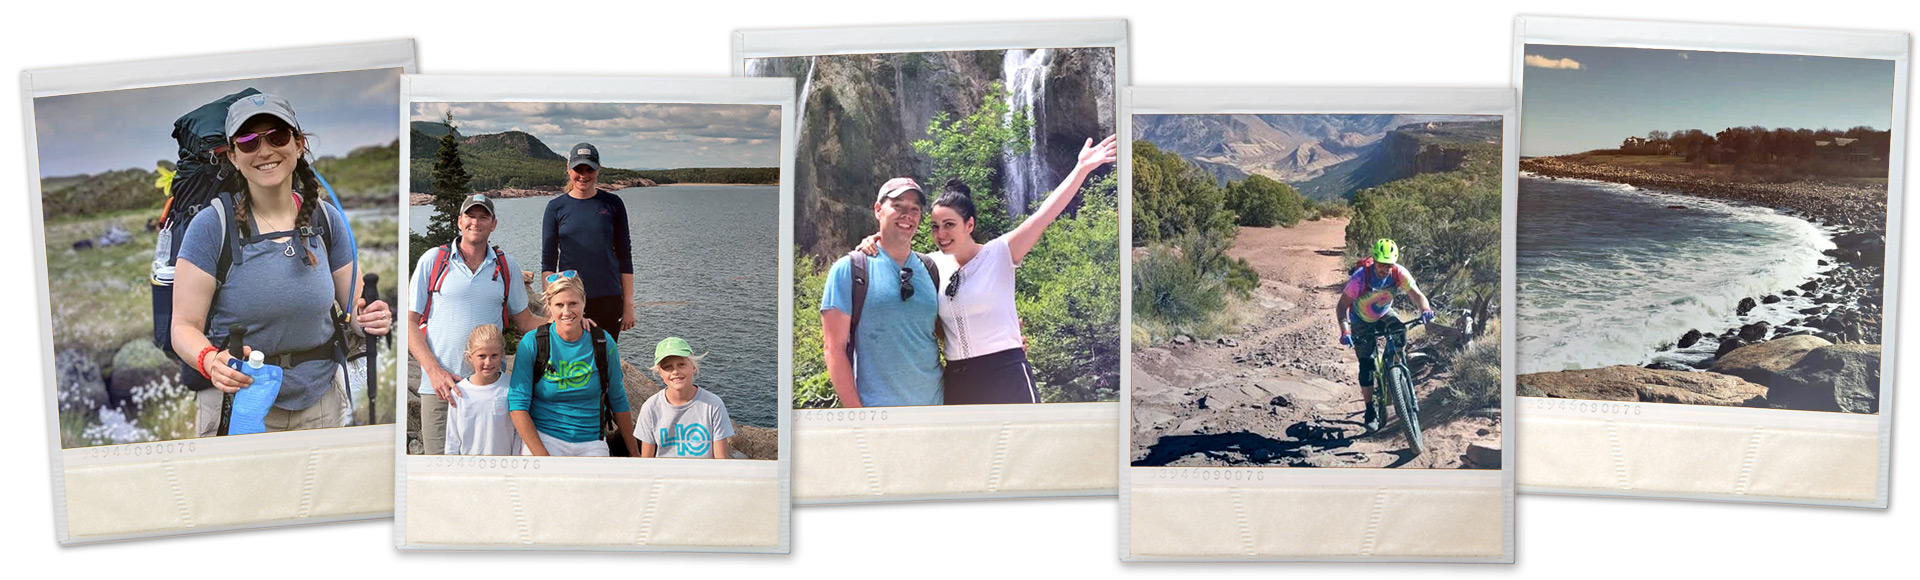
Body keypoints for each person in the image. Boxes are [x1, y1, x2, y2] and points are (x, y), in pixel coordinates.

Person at [170, 92, 392, 435]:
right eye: (247, 141)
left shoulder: (326, 220)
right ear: (232, 155)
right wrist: (211, 361)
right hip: (240, 405)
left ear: (298, 143)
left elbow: (356, 311)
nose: (264, 150)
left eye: (277, 136)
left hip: (321, 403)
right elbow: (183, 328)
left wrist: (372, 320)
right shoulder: (212, 227)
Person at [921, 135, 1117, 404]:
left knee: (1029, 445)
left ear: (969, 225)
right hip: (958, 378)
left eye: (949, 224)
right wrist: (870, 242)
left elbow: (1044, 215)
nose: (941, 233)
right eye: (935, 226)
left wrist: (1081, 168)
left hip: (1006, 373)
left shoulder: (1000, 252)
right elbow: (893, 253)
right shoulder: (931, 264)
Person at [407, 193, 545, 454]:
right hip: (439, 389)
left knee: (492, 469)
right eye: (471, 216)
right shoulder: (433, 261)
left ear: (494, 224)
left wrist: (568, 323)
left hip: (489, 389)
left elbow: (525, 321)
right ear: (460, 221)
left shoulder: (506, 266)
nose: (476, 222)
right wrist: (434, 372)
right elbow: (410, 323)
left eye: (484, 217)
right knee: (440, 472)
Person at [820, 178, 943, 407]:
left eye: (914, 209)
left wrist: (1005, 340)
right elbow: (833, 349)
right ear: (878, 210)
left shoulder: (932, 268)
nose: (908, 215)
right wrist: (858, 417)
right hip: (879, 416)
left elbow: (949, 331)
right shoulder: (849, 270)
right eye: (898, 206)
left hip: (935, 411)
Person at [507, 274, 638, 456]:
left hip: (591, 440)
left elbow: (618, 398)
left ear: (584, 302)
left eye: (573, 304)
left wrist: (636, 456)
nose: (566, 312)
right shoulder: (533, 343)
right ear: (549, 307)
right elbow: (517, 404)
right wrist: (544, 459)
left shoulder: (602, 342)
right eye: (559, 305)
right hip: (545, 437)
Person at [1334, 238, 1435, 431]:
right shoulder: (1360, 278)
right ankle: (1370, 408)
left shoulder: (1398, 273)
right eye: (1381, 264)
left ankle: (1395, 370)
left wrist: (1425, 309)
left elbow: (1417, 295)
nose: (1385, 269)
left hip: (1383, 312)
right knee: (1366, 365)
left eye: (1389, 265)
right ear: (1375, 260)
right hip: (1360, 319)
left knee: (1400, 333)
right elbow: (1341, 307)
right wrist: (1345, 329)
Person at [541, 142, 634, 338]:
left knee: (604, 359)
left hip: (608, 298)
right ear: (568, 168)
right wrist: (551, 306)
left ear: (598, 169)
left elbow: (625, 256)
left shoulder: (613, 204)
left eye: (589, 169)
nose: (583, 175)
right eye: (578, 169)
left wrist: (628, 306)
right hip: (569, 300)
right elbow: (548, 260)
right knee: (572, 358)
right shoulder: (555, 207)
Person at [635, 337, 736, 459]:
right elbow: (647, 460)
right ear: (660, 373)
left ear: (693, 367)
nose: (675, 371)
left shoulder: (713, 405)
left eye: (681, 365)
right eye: (667, 367)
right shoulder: (650, 407)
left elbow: (721, 459)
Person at [444, 324, 517, 456]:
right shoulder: (459, 392)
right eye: (482, 356)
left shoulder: (511, 386)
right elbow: (452, 438)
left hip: (505, 468)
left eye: (494, 356)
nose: (488, 362)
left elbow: (518, 432)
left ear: (502, 355)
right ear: (470, 357)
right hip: (469, 470)